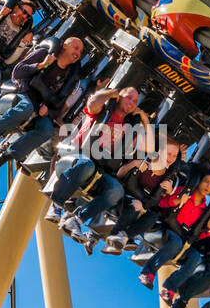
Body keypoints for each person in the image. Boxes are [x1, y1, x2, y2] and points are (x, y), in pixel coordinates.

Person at [0, 36, 85, 170]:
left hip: (40, 108)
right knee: (26, 108)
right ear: (65, 45)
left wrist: (49, 111)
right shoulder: (44, 54)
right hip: (23, 93)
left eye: (80, 51)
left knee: (47, 130)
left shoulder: (70, 77)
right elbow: (17, 71)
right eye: (76, 48)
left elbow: (59, 107)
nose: (77, 53)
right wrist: (41, 65)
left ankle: (4, 156)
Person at [53, 87, 151, 246]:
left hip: (97, 170)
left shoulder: (127, 128)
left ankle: (76, 220)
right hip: (75, 158)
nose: (132, 103)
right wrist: (111, 93)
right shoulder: (103, 111)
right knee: (87, 165)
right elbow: (92, 103)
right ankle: (56, 204)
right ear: (119, 97)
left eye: (135, 101)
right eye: (128, 97)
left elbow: (150, 146)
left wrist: (144, 119)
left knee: (116, 190)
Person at [97, 138, 183, 254]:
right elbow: (119, 174)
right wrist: (133, 164)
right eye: (169, 154)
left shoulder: (169, 179)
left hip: (141, 207)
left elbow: (160, 204)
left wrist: (169, 192)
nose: (171, 158)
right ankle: (114, 237)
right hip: (124, 197)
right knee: (137, 204)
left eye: (174, 155)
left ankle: (123, 236)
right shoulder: (144, 161)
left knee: (153, 216)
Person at [137, 171, 210, 289]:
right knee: (176, 242)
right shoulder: (182, 190)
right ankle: (147, 272)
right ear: (199, 181)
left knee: (196, 257)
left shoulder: (205, 211)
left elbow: (196, 235)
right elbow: (161, 203)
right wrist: (176, 200)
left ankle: (170, 288)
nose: (208, 186)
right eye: (206, 182)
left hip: (183, 238)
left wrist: (209, 231)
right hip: (166, 229)